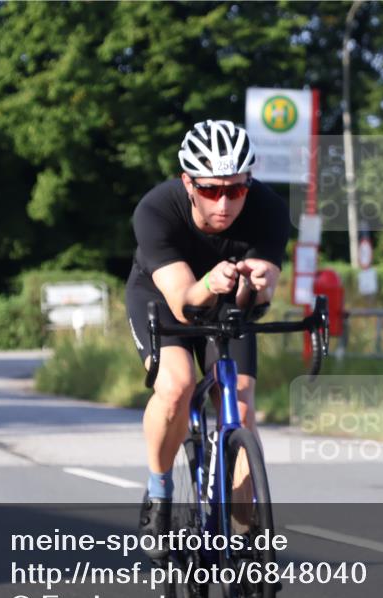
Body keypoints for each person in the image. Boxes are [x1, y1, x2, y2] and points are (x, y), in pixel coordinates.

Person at [124, 120, 291, 559]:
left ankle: (243, 534)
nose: (224, 203)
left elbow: (261, 297)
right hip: (163, 297)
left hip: (226, 300)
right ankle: (159, 490)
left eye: (236, 190)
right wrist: (211, 282)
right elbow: (184, 304)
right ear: (188, 183)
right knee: (176, 385)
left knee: (240, 402)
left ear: (248, 182)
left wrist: (256, 285)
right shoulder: (156, 210)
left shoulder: (269, 209)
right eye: (211, 189)